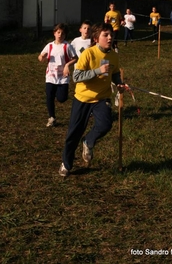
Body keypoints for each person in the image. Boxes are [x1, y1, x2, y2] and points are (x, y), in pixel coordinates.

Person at [58, 22, 125, 177]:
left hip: (102, 98)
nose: (110, 38)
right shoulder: (88, 54)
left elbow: (114, 73)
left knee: (105, 124)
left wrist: (120, 83)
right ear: (96, 38)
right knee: (73, 134)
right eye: (105, 35)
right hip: (82, 98)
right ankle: (66, 164)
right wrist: (97, 71)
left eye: (111, 35)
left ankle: (88, 141)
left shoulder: (114, 55)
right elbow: (77, 76)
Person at [38, 23, 78, 127]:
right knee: (49, 97)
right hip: (51, 76)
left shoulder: (67, 46)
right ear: (54, 33)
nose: (60, 35)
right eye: (58, 32)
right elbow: (41, 56)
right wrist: (42, 57)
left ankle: (57, 93)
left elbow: (75, 58)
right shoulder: (49, 46)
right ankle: (52, 118)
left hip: (62, 77)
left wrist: (67, 65)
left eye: (63, 33)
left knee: (62, 98)